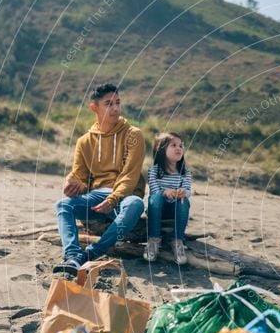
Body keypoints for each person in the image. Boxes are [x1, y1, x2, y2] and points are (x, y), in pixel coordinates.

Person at [53, 83, 146, 275]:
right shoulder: (84, 141)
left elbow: (130, 176)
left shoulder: (133, 135)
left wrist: (113, 199)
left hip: (123, 196)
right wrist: (72, 183)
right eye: (109, 104)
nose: (115, 108)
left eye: (118, 103)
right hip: (96, 197)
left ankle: (88, 255)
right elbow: (81, 176)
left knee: (136, 204)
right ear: (94, 107)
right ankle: (72, 255)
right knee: (63, 205)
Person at [143, 132, 191, 265]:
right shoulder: (154, 171)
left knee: (184, 201)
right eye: (173, 145)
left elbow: (188, 191)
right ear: (161, 150)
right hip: (158, 208)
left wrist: (182, 192)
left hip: (175, 209)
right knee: (155, 198)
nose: (179, 148)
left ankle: (177, 241)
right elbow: (154, 190)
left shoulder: (185, 172)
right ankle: (153, 239)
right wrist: (165, 192)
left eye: (181, 146)